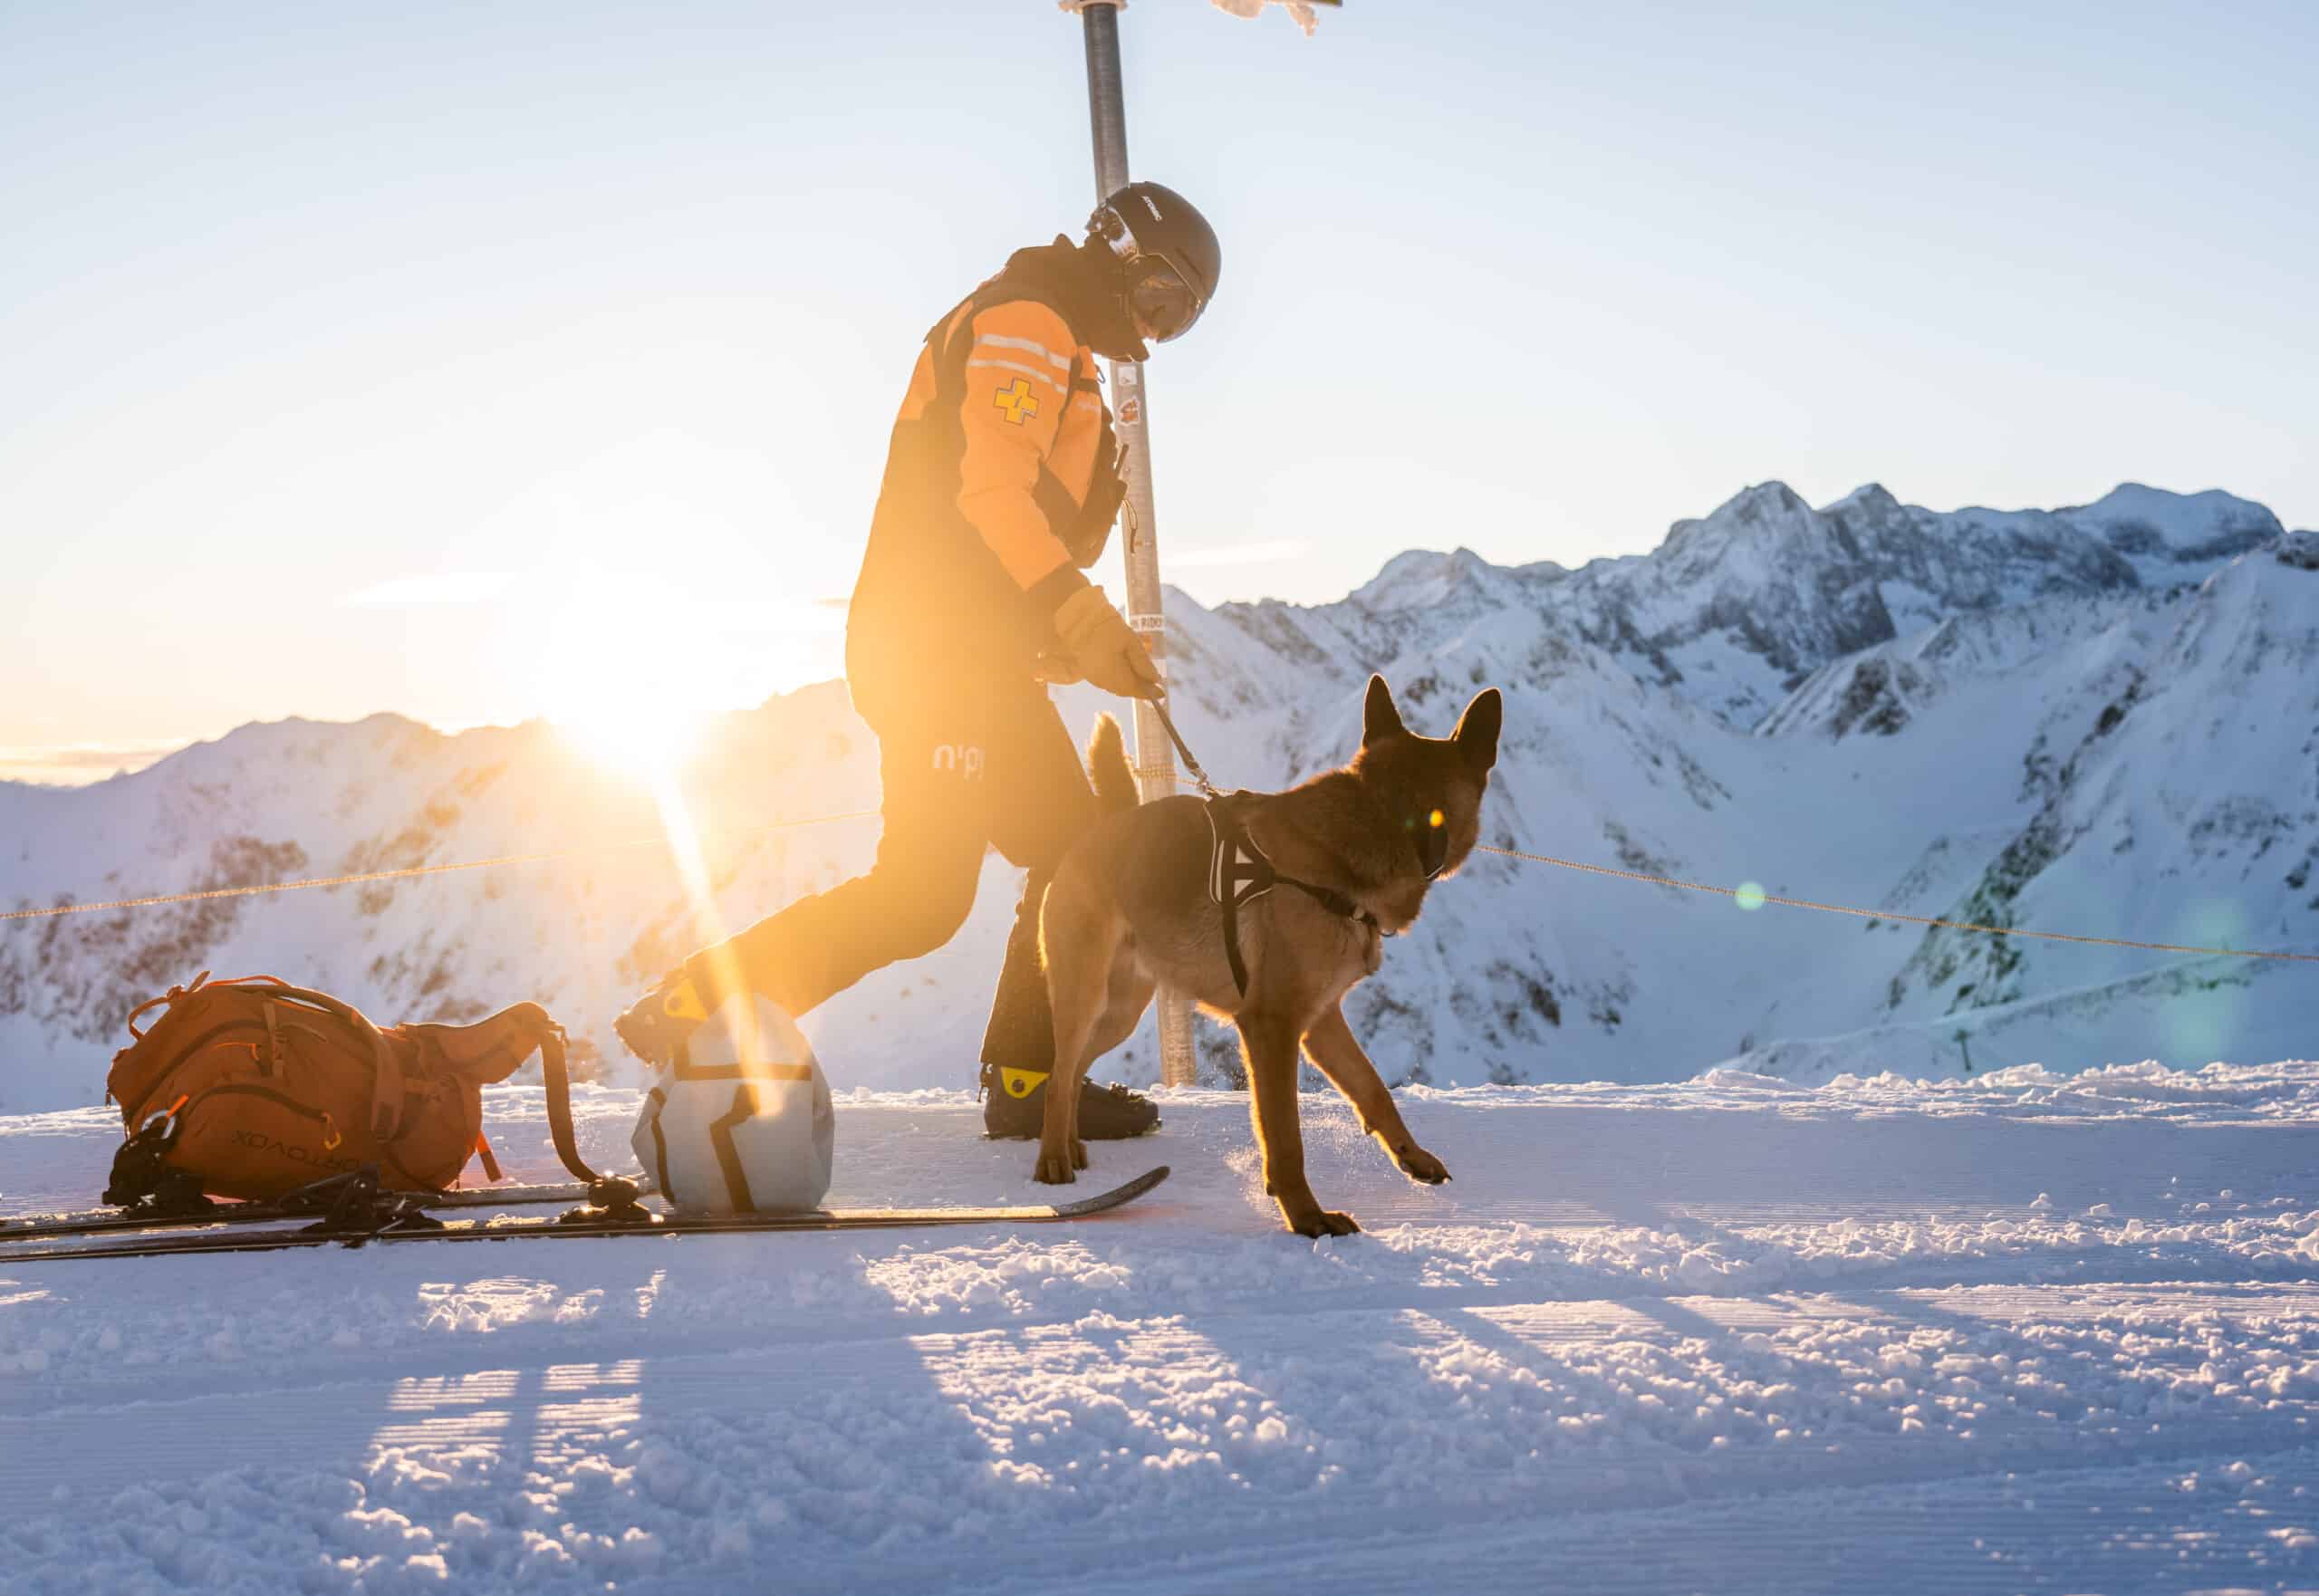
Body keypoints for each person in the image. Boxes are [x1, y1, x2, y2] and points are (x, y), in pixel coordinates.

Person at [615, 181, 1223, 1139]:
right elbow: (987, 494)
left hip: (965, 657)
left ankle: (1030, 1080)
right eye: (1157, 299)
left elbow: (997, 533)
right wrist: (1076, 610)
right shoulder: (1028, 322)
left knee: (1079, 851)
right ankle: (695, 1005)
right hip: (936, 656)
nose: (1153, 328)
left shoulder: (1059, 340)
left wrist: (1058, 640)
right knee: (927, 896)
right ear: (1116, 254)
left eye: (1177, 319)